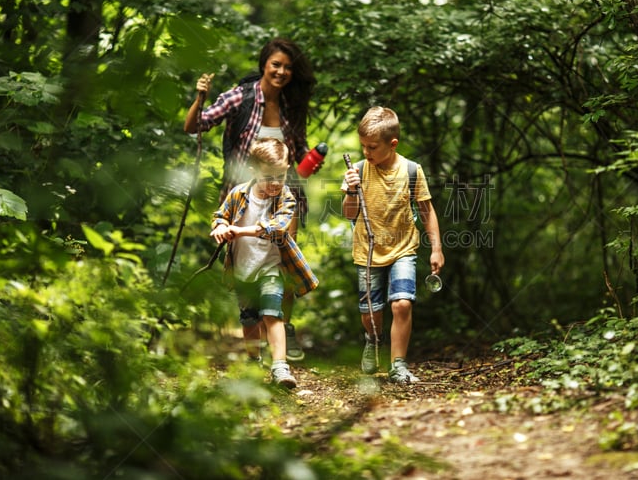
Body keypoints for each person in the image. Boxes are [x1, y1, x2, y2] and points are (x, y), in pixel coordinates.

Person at [185, 37, 316, 361]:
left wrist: (308, 162)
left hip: (284, 197)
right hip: (241, 197)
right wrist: (200, 97)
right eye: (276, 65)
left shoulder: (289, 107)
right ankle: (253, 329)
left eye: (287, 67)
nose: (282, 72)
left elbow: (297, 157)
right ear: (264, 65)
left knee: (283, 261)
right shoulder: (239, 98)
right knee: (247, 264)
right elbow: (195, 125)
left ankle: (282, 328)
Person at [341, 106, 445, 383]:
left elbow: (426, 211)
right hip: (367, 250)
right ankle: (372, 339)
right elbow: (349, 213)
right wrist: (351, 190)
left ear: (392, 144)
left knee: (402, 305)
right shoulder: (359, 171)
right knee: (371, 314)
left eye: (372, 147)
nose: (366, 152)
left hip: (403, 249)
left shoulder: (412, 170)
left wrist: (436, 248)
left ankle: (398, 364)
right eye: (362, 146)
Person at [210, 137, 318, 388]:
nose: (275, 183)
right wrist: (221, 227)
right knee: (249, 320)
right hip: (242, 270)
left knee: (272, 314)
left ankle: (280, 367)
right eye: (268, 177)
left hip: (271, 268)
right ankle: (253, 361)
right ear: (253, 171)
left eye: (280, 176)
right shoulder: (237, 193)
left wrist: (239, 230)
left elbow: (277, 229)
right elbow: (219, 217)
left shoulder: (286, 197)